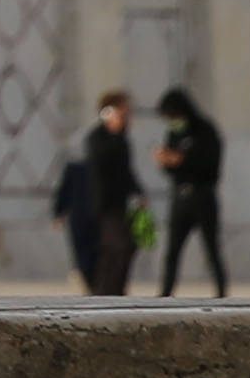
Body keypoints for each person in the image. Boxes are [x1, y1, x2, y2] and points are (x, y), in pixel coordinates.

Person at [58, 91, 142, 295]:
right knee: (115, 248)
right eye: (122, 110)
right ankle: (104, 291)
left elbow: (126, 171)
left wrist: (139, 193)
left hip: (120, 203)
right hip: (104, 204)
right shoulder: (98, 138)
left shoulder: (121, 138)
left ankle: (113, 290)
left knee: (125, 247)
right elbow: (100, 166)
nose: (126, 115)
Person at [154, 86, 228, 300]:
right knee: (173, 249)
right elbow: (170, 163)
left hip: (203, 195)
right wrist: (168, 162)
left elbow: (210, 165)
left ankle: (221, 291)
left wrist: (183, 160)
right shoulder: (174, 133)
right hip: (180, 196)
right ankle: (166, 291)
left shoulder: (205, 131)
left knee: (211, 247)